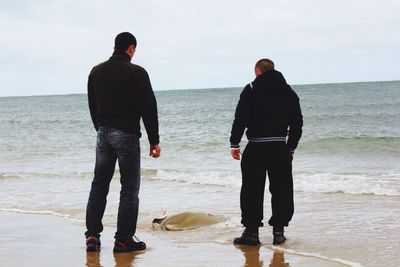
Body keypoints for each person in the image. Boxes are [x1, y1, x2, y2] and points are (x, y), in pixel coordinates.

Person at [85, 32, 160, 253]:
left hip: (103, 133)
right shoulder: (136, 72)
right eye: (134, 50)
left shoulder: (96, 72)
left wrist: (100, 127)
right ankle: (124, 239)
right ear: (131, 48)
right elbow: (149, 107)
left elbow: (92, 104)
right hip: (126, 134)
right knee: (129, 188)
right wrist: (154, 140)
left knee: (99, 184)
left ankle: (92, 236)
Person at [230, 59, 303, 245]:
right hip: (280, 147)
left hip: (256, 147)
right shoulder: (288, 92)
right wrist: (291, 147)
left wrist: (235, 143)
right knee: (282, 190)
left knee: (251, 191)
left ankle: (252, 233)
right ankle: (279, 232)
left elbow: (241, 118)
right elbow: (297, 122)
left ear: (258, 71)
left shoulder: (252, 89)